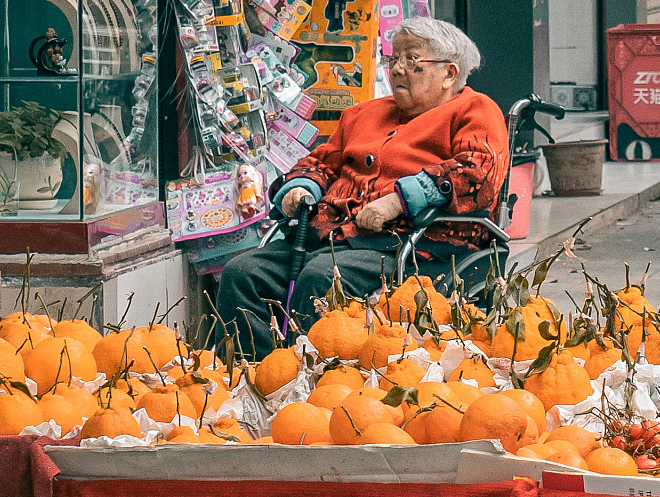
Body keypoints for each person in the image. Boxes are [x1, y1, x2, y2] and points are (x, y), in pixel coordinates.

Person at [211, 17, 508, 346]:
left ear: (449, 73)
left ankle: (318, 381)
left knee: (322, 278)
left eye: (411, 60)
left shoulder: (475, 109)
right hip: (327, 234)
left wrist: (397, 200)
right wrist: (301, 187)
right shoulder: (362, 113)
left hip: (409, 243)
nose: (396, 70)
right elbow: (322, 161)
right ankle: (261, 377)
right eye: (393, 59)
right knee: (242, 272)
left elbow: (478, 171)